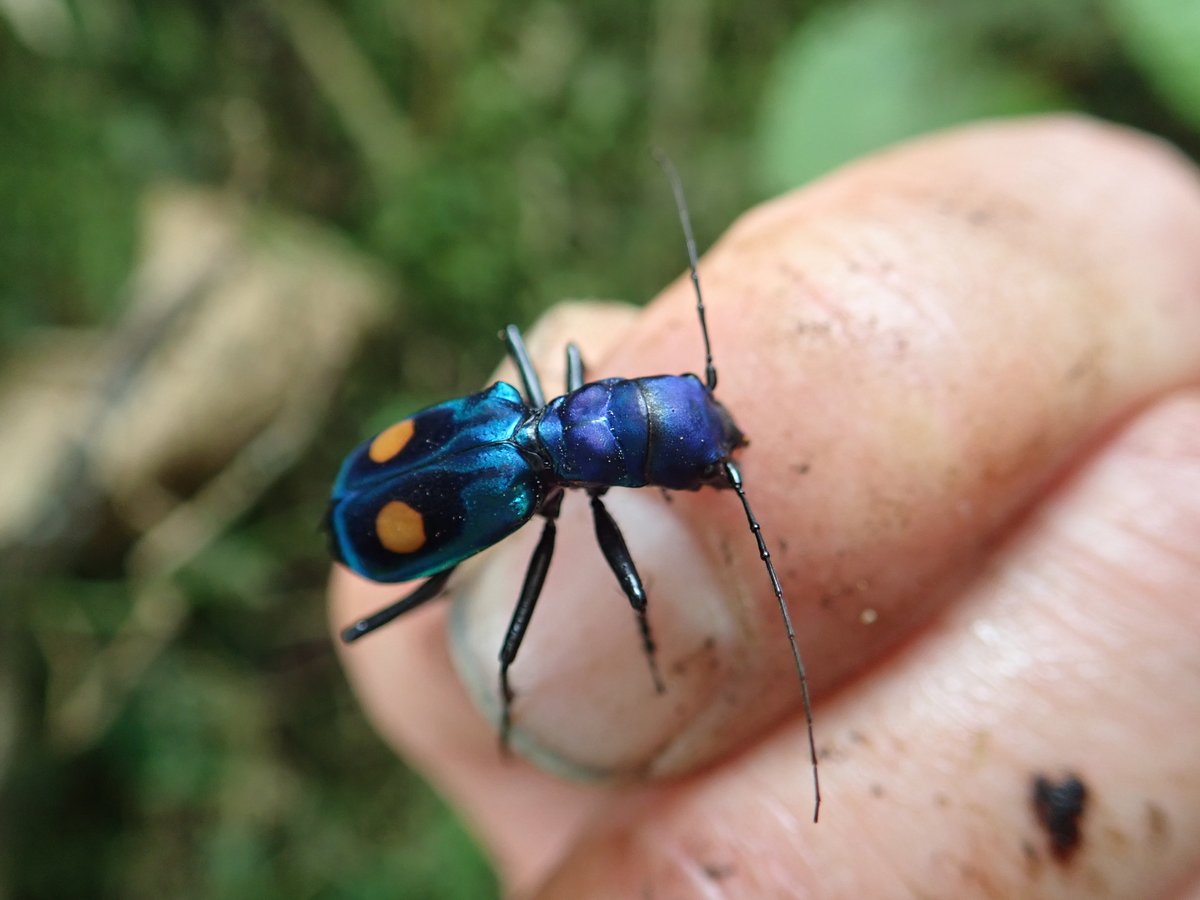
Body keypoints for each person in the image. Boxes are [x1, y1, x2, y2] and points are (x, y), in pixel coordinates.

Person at [330, 116, 1200, 898]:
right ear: (624, 448)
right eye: (685, 464)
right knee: (502, 623)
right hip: (385, 521)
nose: (717, 457)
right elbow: (615, 591)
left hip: (417, 469)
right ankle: (529, 686)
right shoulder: (527, 491)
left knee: (511, 596)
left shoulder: (528, 411)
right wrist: (631, 642)